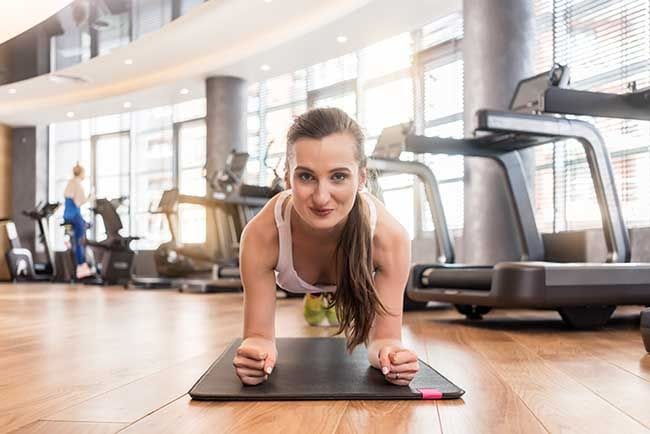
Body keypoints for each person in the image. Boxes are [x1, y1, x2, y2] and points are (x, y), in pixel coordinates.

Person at [233, 107, 419, 387]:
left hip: (353, 282)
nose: (321, 198)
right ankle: (319, 299)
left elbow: (385, 338)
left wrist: (391, 356)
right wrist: (257, 355)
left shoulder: (390, 238)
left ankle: (329, 299)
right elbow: (258, 336)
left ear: (362, 179)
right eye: (306, 176)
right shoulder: (261, 235)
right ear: (287, 179)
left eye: (339, 176)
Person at [63, 163, 94, 279]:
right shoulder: (78, 185)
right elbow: (79, 202)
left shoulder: (69, 183)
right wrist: (90, 198)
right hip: (75, 216)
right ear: (81, 173)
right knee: (80, 241)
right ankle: (81, 267)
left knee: (77, 238)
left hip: (67, 216)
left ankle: (70, 244)